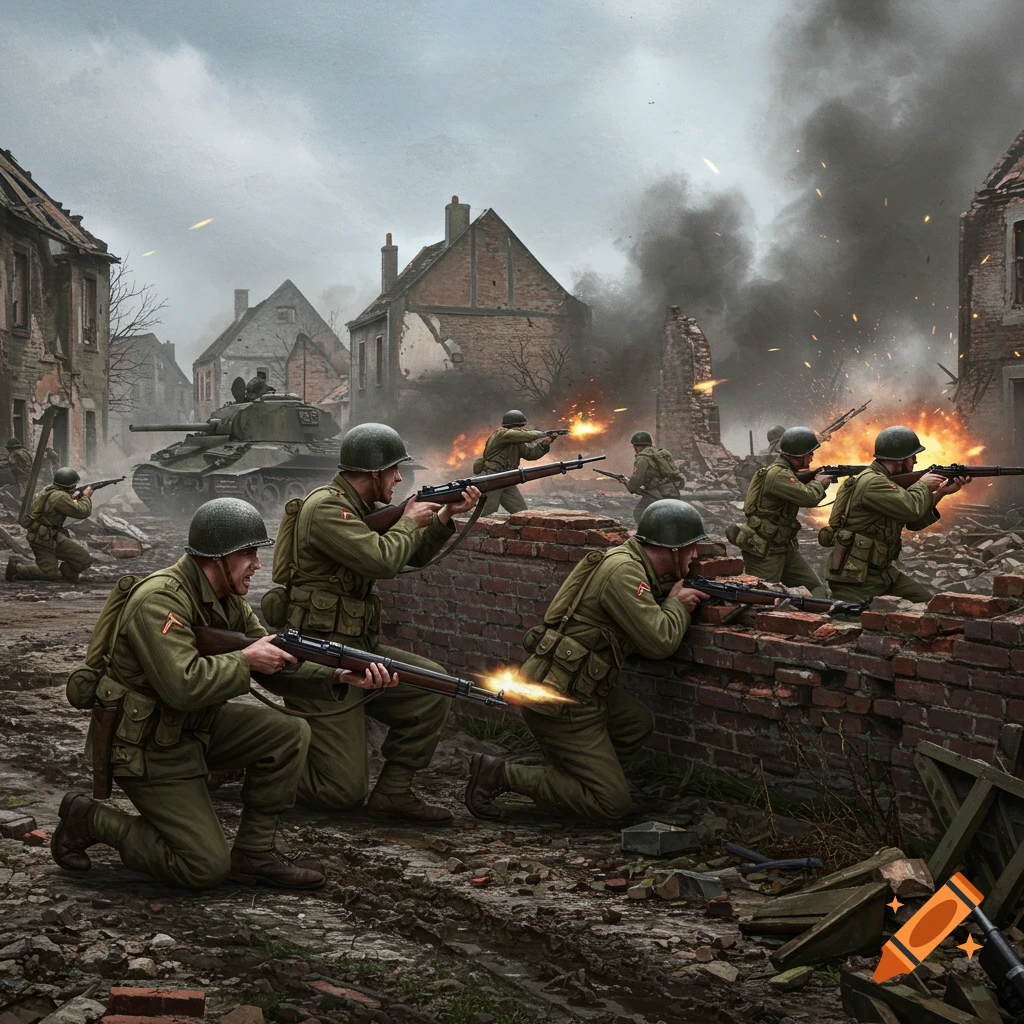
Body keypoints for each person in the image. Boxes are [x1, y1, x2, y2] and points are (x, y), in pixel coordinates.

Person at [50, 497, 396, 890]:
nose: (258, 565)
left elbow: (274, 660)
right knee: (203, 867)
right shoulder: (160, 600)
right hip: (147, 748)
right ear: (217, 558)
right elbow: (182, 685)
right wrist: (246, 660)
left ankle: (254, 852)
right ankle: (91, 819)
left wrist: (338, 676)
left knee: (288, 732)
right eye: (249, 554)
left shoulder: (228, 601)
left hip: (193, 730)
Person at [277, 422, 480, 824]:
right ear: (372, 473)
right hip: (319, 657)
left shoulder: (362, 510)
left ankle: (394, 792)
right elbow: (382, 560)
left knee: (433, 688)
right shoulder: (326, 509)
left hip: (359, 647)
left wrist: (443, 516)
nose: (401, 477)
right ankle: (252, 760)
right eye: (394, 470)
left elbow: (414, 556)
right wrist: (408, 519)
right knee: (340, 792)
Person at [464, 499, 710, 825]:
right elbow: (660, 641)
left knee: (635, 723)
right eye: (691, 549)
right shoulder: (624, 573)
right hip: (562, 700)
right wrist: (677, 606)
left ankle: (578, 778)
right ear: (673, 549)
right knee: (611, 804)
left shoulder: (628, 563)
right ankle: (501, 774)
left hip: (579, 687)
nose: (695, 556)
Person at [820, 426, 967, 603]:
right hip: (855, 579)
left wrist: (941, 492)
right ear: (900, 460)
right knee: (859, 622)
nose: (915, 462)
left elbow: (913, 520)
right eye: (913, 457)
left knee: (930, 605)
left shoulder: (883, 480)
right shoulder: (873, 482)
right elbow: (911, 509)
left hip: (881, 573)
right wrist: (922, 485)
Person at [726, 426, 833, 595]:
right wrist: (819, 482)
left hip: (784, 547)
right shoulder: (778, 475)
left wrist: (813, 477)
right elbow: (809, 498)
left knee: (816, 589)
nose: (812, 457)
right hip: (765, 550)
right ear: (799, 455)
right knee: (759, 597)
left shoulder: (786, 472)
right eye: (810, 453)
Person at [6, 468, 94, 583]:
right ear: (71, 485)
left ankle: (67, 573)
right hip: (44, 538)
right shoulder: (60, 497)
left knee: (75, 562)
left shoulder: (48, 491)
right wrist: (86, 496)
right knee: (79, 562)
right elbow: (82, 512)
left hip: (42, 535)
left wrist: (75, 498)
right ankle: (18, 569)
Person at [478, 410, 561, 515]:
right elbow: (522, 435)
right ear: (511, 426)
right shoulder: (501, 434)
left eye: (522, 426)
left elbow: (530, 454)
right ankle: (473, 530)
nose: (521, 428)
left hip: (508, 479)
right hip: (492, 479)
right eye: (519, 426)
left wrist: (545, 443)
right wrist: (543, 434)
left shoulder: (517, 441)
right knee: (487, 513)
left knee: (521, 512)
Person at [618, 430, 685, 525]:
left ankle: (649, 536)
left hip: (658, 495)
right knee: (667, 519)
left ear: (636, 446)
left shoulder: (643, 458)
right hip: (672, 492)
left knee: (639, 512)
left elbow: (634, 486)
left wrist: (626, 482)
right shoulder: (658, 454)